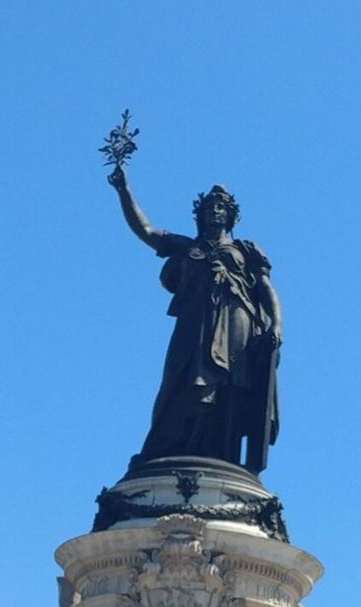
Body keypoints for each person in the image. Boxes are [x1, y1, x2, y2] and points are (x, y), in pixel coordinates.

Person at [108, 166, 283, 474]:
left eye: (221, 207)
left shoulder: (246, 250)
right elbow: (146, 231)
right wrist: (124, 191)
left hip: (237, 320)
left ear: (230, 215)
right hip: (194, 326)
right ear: (200, 215)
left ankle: (223, 453)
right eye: (209, 207)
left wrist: (277, 324)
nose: (215, 211)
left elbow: (266, 289)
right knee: (179, 380)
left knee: (230, 386)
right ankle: (169, 447)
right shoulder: (187, 247)